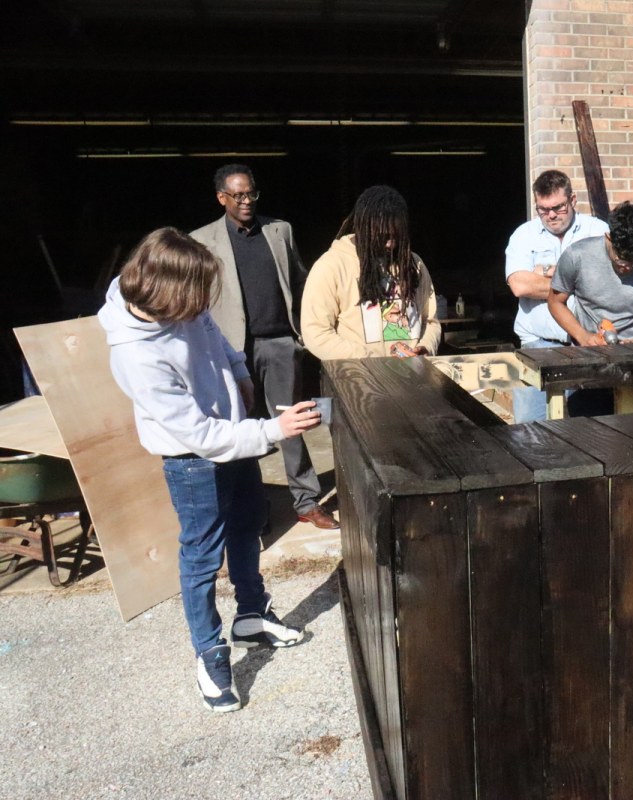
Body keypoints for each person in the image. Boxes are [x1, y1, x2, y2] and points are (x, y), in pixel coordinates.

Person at [99, 228, 318, 713]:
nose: (201, 306)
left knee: (247, 526)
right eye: (194, 298)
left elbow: (212, 332)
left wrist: (239, 372)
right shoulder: (136, 354)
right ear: (165, 291)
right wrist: (272, 429)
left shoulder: (182, 302)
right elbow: (197, 435)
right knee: (201, 555)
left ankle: (251, 615)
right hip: (193, 460)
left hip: (232, 436)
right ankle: (210, 652)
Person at [190, 164, 337, 531]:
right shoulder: (201, 240)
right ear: (221, 197)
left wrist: (303, 332)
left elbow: (302, 282)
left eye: (251, 193)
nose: (246, 202)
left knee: (291, 423)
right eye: (237, 195)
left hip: (280, 344)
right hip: (232, 350)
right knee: (241, 428)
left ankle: (306, 501)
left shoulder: (279, 231)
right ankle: (253, 509)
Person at [503, 170, 609, 421]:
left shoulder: (598, 230)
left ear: (572, 200)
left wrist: (546, 272)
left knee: (592, 432)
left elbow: (607, 283)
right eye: (543, 209)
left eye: (558, 208)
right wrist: (576, 280)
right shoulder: (524, 235)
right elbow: (519, 285)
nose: (551, 215)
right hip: (538, 348)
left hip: (587, 348)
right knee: (531, 434)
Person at [301, 186, 441, 361]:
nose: (390, 244)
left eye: (397, 237)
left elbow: (431, 321)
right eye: (383, 236)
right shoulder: (331, 266)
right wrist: (370, 361)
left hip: (412, 376)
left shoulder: (414, 264)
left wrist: (425, 348)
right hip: (359, 380)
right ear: (364, 229)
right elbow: (316, 332)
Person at [547, 199, 633, 347]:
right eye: (621, 261)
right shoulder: (576, 256)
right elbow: (555, 302)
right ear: (609, 238)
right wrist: (583, 337)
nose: (628, 268)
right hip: (587, 348)